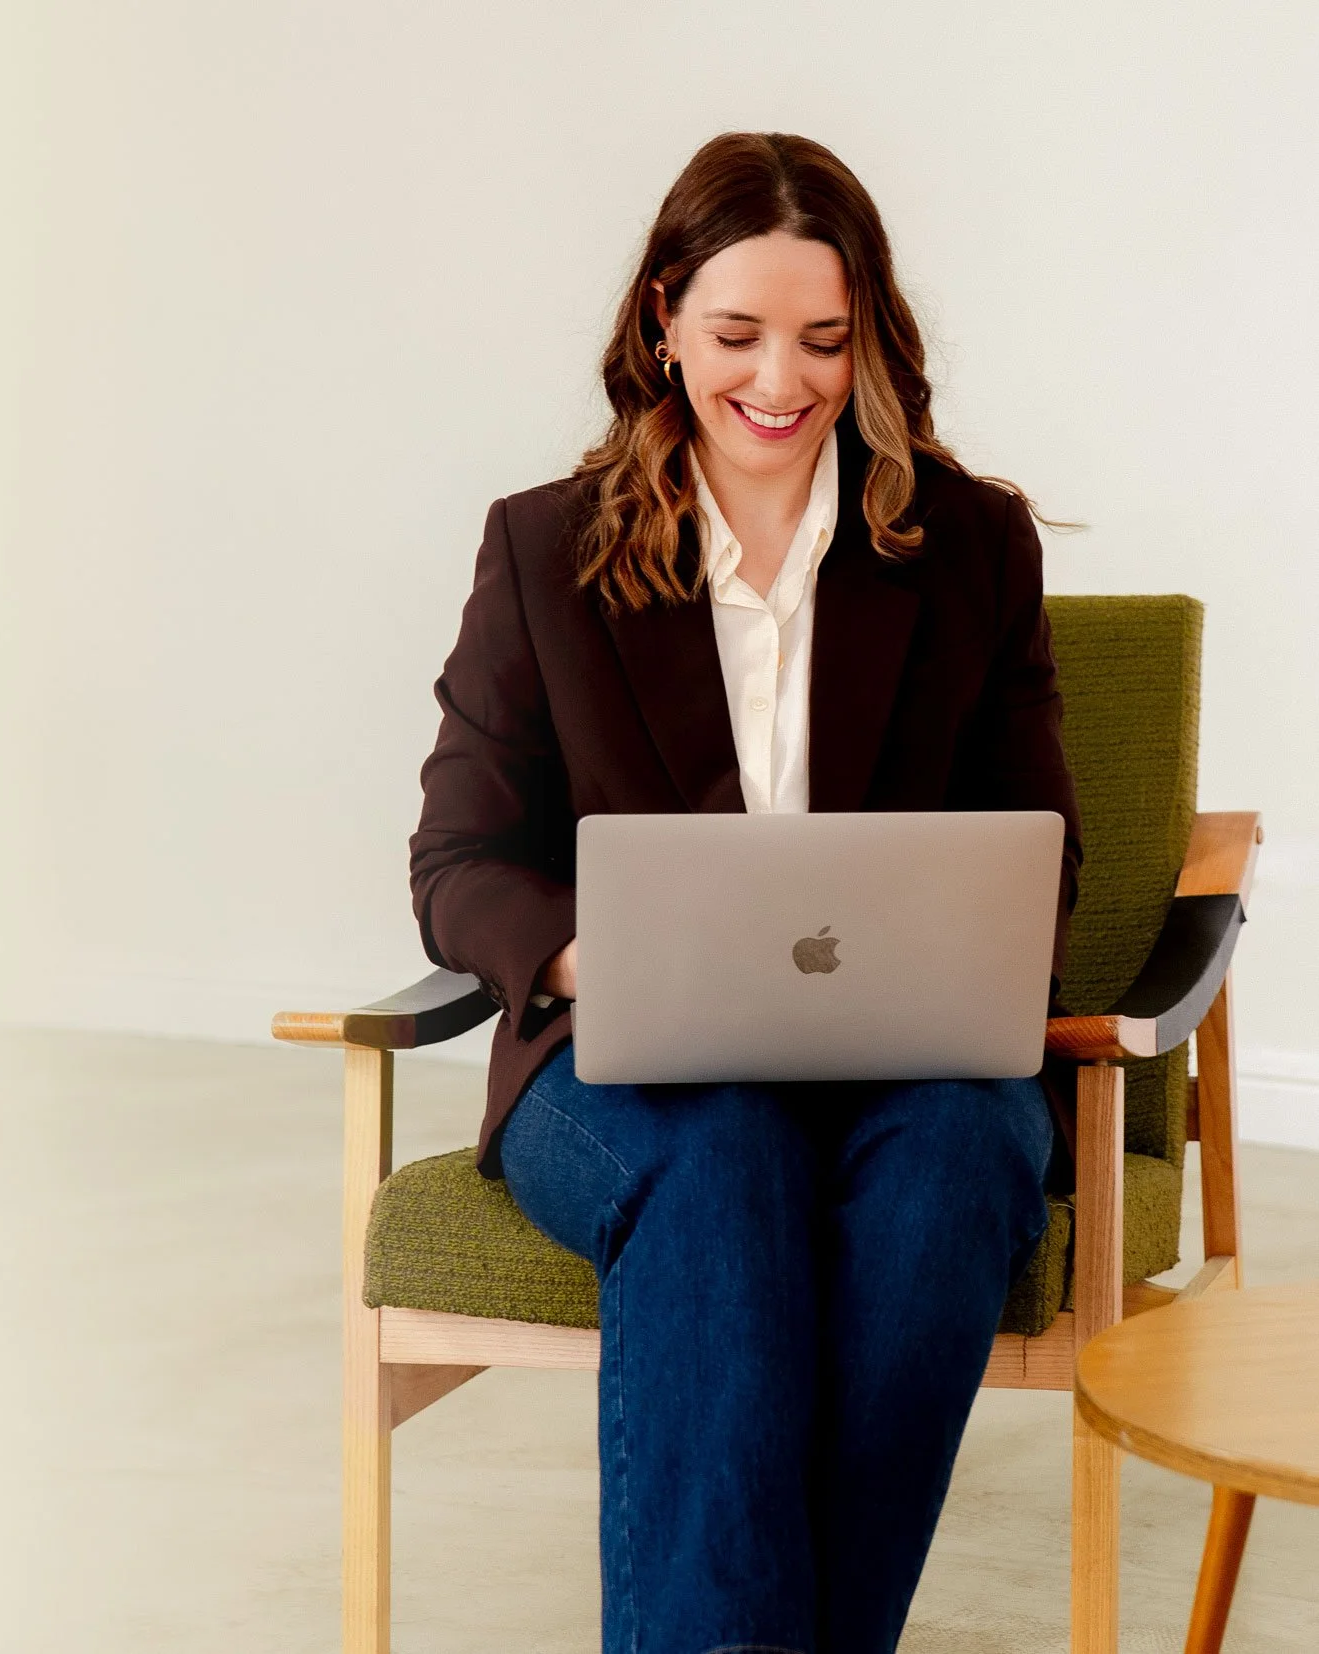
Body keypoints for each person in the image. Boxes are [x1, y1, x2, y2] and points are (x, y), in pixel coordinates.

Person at [408, 132, 1079, 1654]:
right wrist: (590, 959)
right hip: (626, 1072)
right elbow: (456, 860)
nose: (783, 379)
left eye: (826, 339)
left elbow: (1040, 845)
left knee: (961, 1157)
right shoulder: (546, 551)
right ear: (662, 319)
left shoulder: (971, 546)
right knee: (722, 1157)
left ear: (872, 338)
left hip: (910, 1070)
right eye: (737, 335)